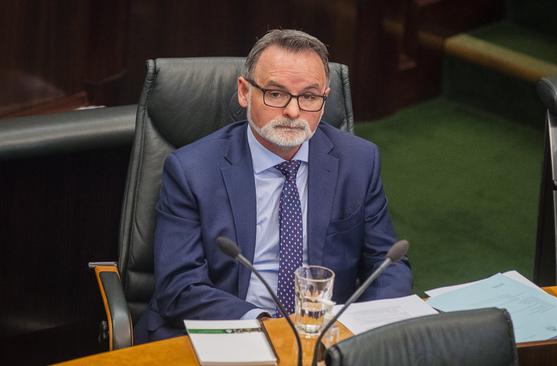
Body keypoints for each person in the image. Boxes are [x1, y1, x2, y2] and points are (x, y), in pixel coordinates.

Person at [134, 29, 413, 343]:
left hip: (322, 337)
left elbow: (388, 265)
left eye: (308, 96)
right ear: (244, 92)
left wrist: (356, 332)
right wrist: (266, 325)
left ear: (324, 99)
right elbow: (179, 285)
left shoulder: (359, 162)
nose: (293, 112)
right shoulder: (191, 170)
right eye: (276, 94)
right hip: (224, 330)